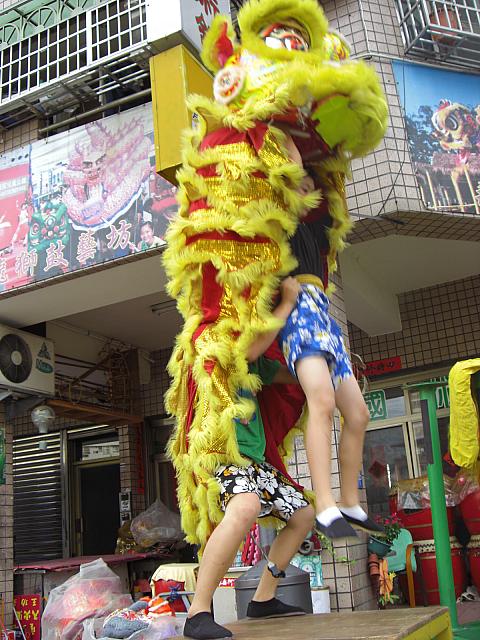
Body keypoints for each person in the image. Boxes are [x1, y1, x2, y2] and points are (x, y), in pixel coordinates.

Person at [184, 277, 315, 640]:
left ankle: (263, 597)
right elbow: (251, 351)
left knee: (303, 514)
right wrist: (287, 301)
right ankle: (197, 612)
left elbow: (289, 375)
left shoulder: (256, 364)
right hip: (221, 451)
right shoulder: (212, 338)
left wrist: (323, 364)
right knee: (244, 508)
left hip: (253, 460)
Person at [277, 162, 384, 540]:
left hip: (322, 314)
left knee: (358, 414)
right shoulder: (276, 226)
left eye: (311, 182)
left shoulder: (315, 229)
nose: (309, 187)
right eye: (301, 183)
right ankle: (324, 503)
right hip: (298, 316)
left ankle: (349, 500)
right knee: (321, 402)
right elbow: (286, 166)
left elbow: (331, 198)